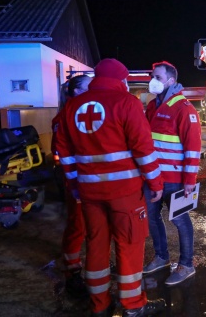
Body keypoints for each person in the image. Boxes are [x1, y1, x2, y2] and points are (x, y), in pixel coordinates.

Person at [54, 58, 165, 317]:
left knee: (96, 244)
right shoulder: (127, 103)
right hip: (125, 194)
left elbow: (65, 152)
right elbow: (143, 149)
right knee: (129, 244)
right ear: (121, 80)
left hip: (89, 193)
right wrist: (155, 182)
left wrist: (74, 185)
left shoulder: (71, 108)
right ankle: (133, 305)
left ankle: (100, 306)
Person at [143, 61, 202, 286]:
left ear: (170, 80)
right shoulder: (152, 105)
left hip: (175, 180)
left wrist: (189, 181)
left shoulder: (184, 107)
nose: (153, 80)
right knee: (152, 218)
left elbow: (193, 147)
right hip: (152, 177)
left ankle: (186, 265)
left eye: (157, 77)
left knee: (179, 220)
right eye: (152, 76)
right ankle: (161, 257)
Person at [51, 74, 92, 297]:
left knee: (94, 225)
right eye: (88, 86)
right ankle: (72, 271)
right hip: (76, 181)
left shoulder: (85, 113)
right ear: (76, 92)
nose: (93, 89)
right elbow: (62, 154)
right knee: (78, 226)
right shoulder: (64, 118)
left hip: (91, 180)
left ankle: (94, 265)